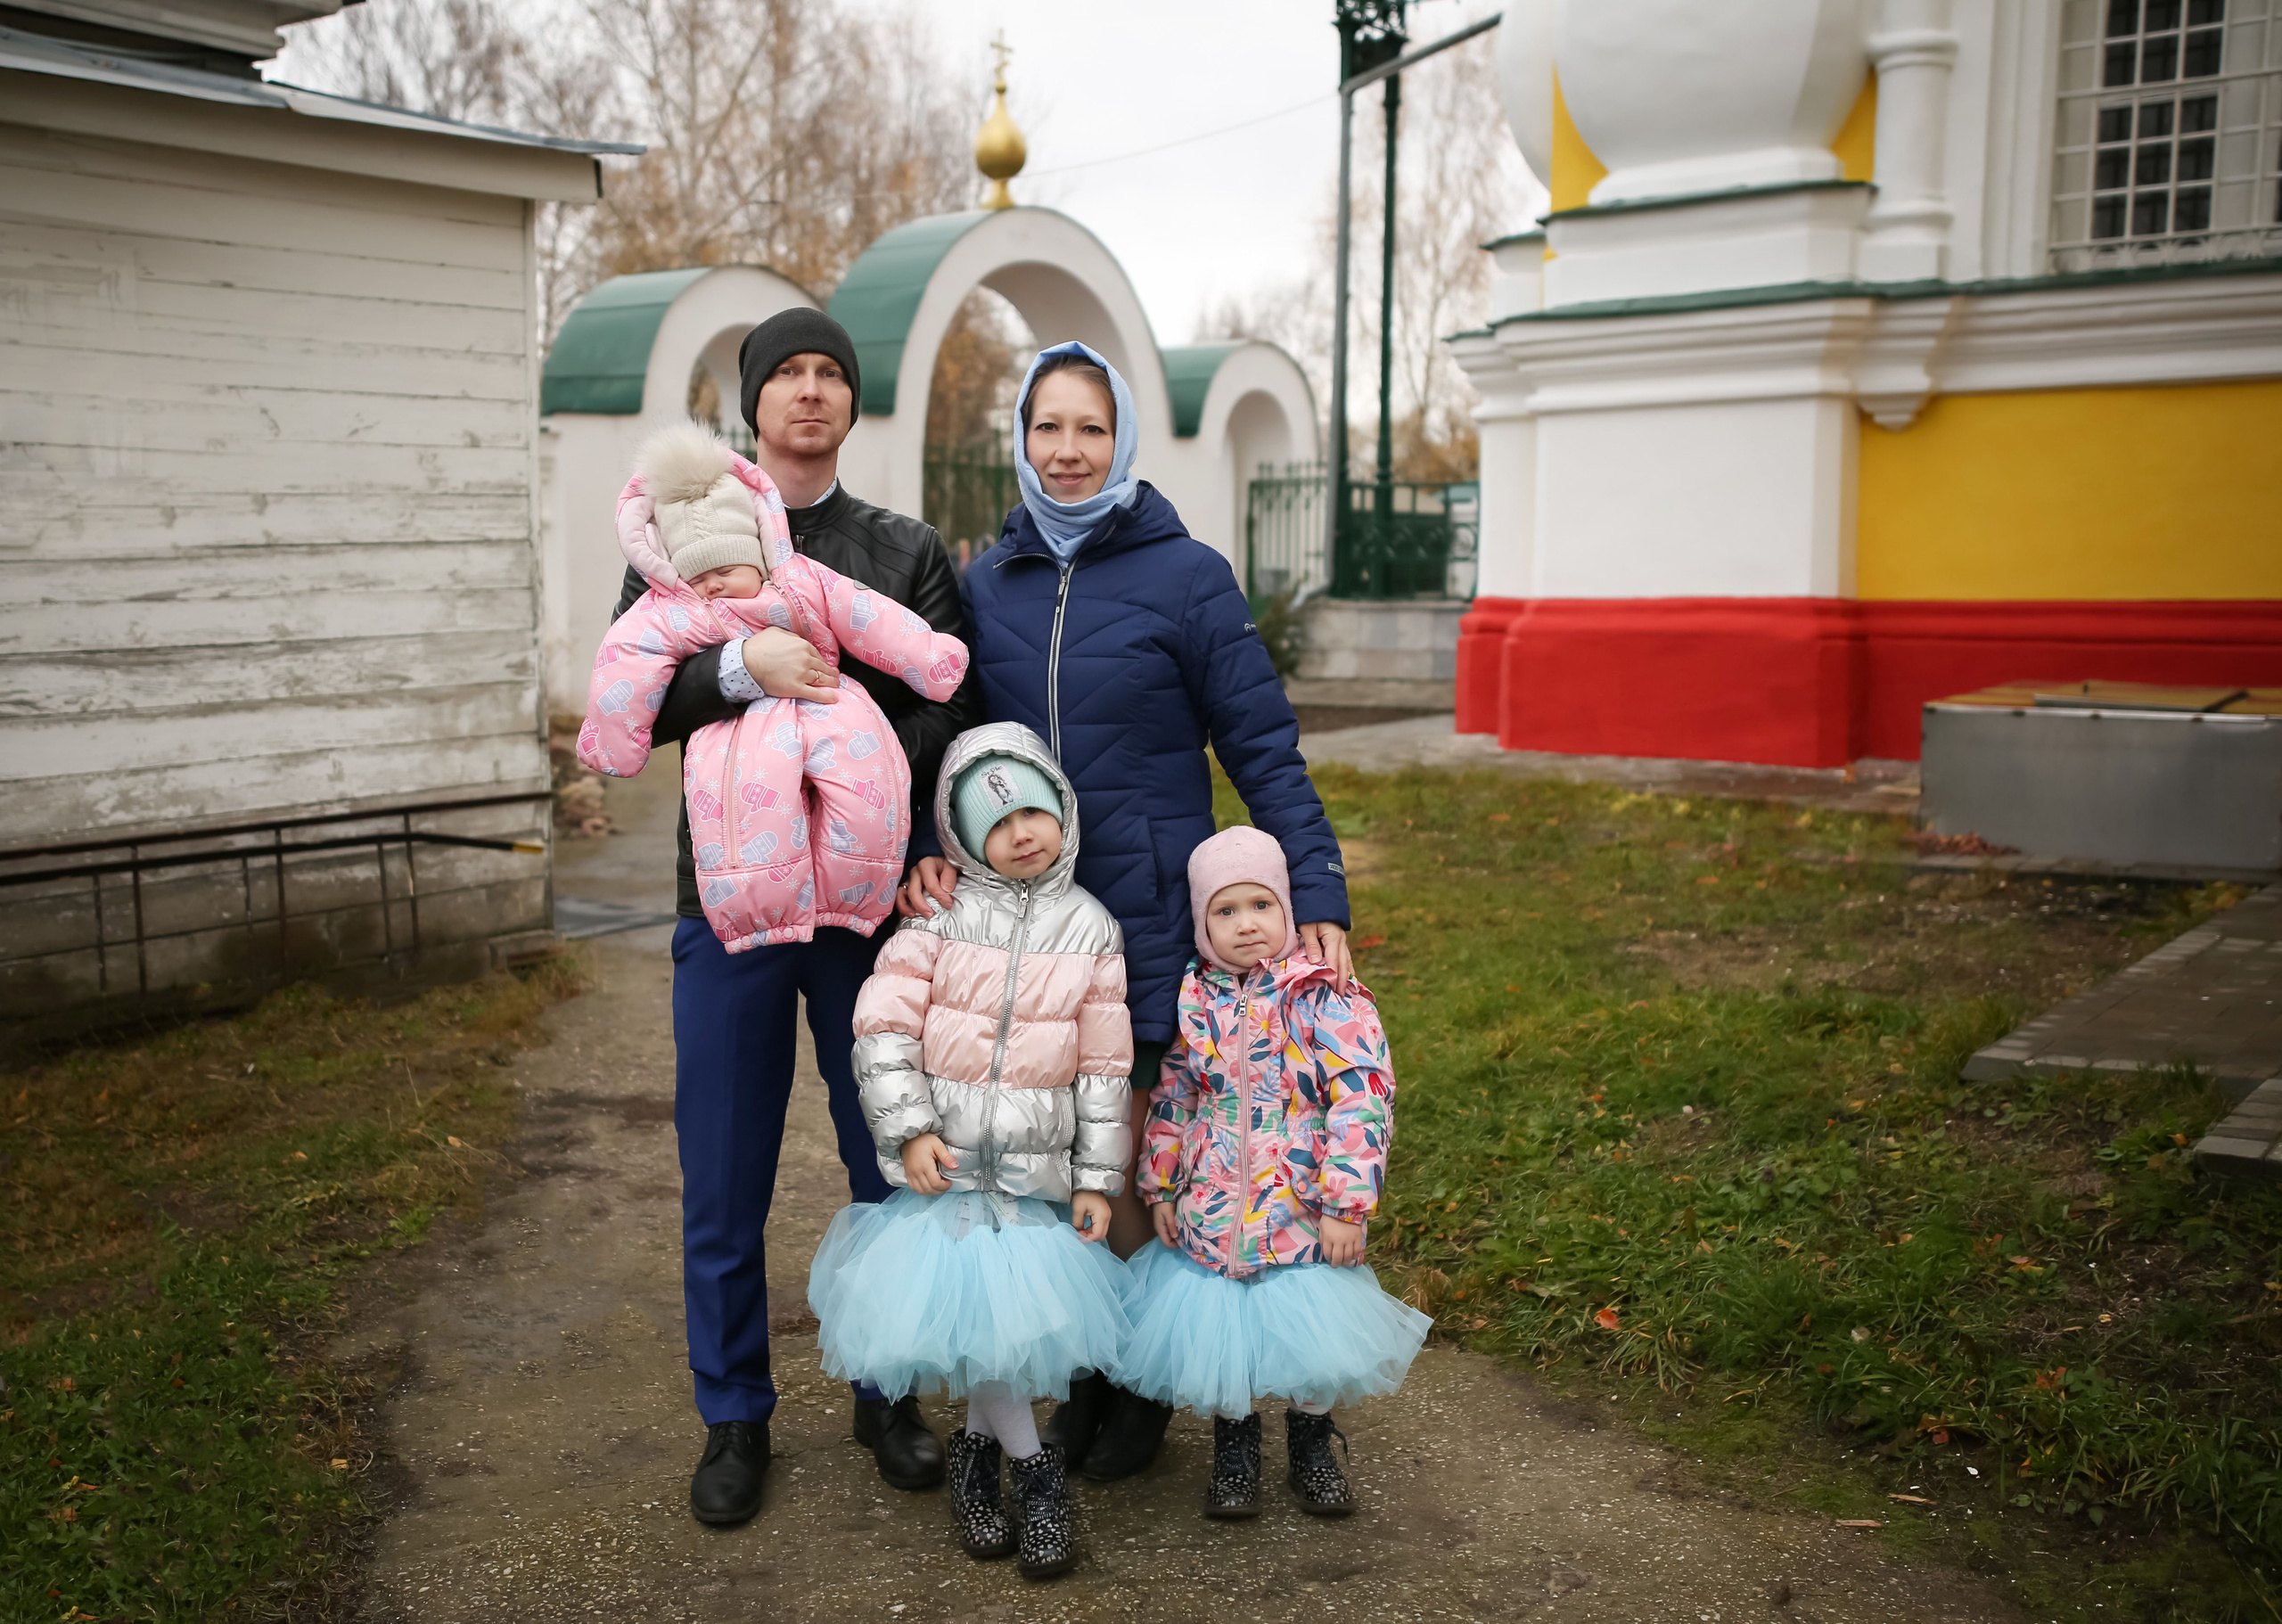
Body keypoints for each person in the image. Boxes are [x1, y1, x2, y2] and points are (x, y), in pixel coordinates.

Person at [898, 340, 1352, 1480]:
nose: (1068, 451)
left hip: (1145, 913)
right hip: (1028, 925)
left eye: (1090, 429)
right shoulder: (989, 582)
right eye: (1047, 427)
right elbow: (947, 747)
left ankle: (1138, 1385)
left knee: (1139, 1158)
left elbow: (1262, 744)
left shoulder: (1187, 576)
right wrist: (921, 846)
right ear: (1021, 438)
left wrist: (1316, 885)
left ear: (1122, 440)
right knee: (1055, 1160)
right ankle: (1087, 1371)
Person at [617, 308, 981, 1524]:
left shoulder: (902, 547)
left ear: (851, 401)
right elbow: (639, 693)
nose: (811, 391)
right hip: (728, 899)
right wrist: (742, 671)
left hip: (867, 905)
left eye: (831, 373)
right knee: (724, 1169)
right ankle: (733, 1415)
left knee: (890, 1151)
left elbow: (951, 697)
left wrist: (854, 767)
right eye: (788, 374)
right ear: (755, 402)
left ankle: (890, 1391)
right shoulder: (680, 528)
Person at [812, 723, 1133, 1580]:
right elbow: (882, 1030)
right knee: (994, 1338)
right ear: (959, 837)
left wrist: (1097, 1178)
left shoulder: (1092, 928)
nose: (1022, 834)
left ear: (1063, 811)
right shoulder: (939, 917)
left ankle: (972, 1464)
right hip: (951, 1171)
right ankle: (1038, 1478)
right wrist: (910, 1128)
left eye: (1034, 812)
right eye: (997, 823)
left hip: (1031, 1178)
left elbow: (1104, 1067)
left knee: (1004, 1337)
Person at [1119, 825, 1428, 1518]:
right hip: (1214, 1207)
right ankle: (1236, 1449)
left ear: (1288, 909)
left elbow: (1362, 1097)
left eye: (1261, 904)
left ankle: (1312, 1442)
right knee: (1225, 1335)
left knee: (1309, 1335)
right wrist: (1161, 1183)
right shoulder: (1196, 998)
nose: (1246, 924)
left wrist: (1346, 1205)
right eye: (1225, 911)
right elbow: (1175, 1095)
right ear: (1202, 926)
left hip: (1302, 1206)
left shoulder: (1326, 995)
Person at [583, 422, 968, 946]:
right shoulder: (674, 608)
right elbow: (627, 659)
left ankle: (850, 895)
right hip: (737, 738)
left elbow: (865, 613)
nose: (713, 584)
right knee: (749, 812)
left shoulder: (803, 578)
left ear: (758, 552)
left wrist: (930, 658)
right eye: (697, 576)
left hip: (829, 706)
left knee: (864, 792)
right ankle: (757, 909)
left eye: (725, 568)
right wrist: (612, 738)